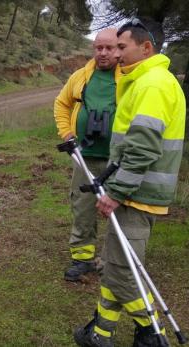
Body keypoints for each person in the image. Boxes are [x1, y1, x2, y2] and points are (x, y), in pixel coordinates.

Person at [74, 18, 185, 347]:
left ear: (145, 47)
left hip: (137, 192)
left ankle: (152, 333)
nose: (117, 54)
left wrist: (117, 193)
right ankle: (101, 332)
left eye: (123, 47)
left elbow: (143, 148)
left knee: (121, 272)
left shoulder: (153, 84)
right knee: (116, 266)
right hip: (137, 190)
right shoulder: (144, 81)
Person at [54, 28, 121, 281]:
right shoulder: (81, 76)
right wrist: (66, 132)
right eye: (98, 47)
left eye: (109, 48)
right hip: (85, 156)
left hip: (117, 159)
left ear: (120, 49)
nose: (103, 53)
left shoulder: (128, 78)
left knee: (121, 209)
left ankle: (115, 262)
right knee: (82, 208)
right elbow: (61, 103)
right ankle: (83, 259)